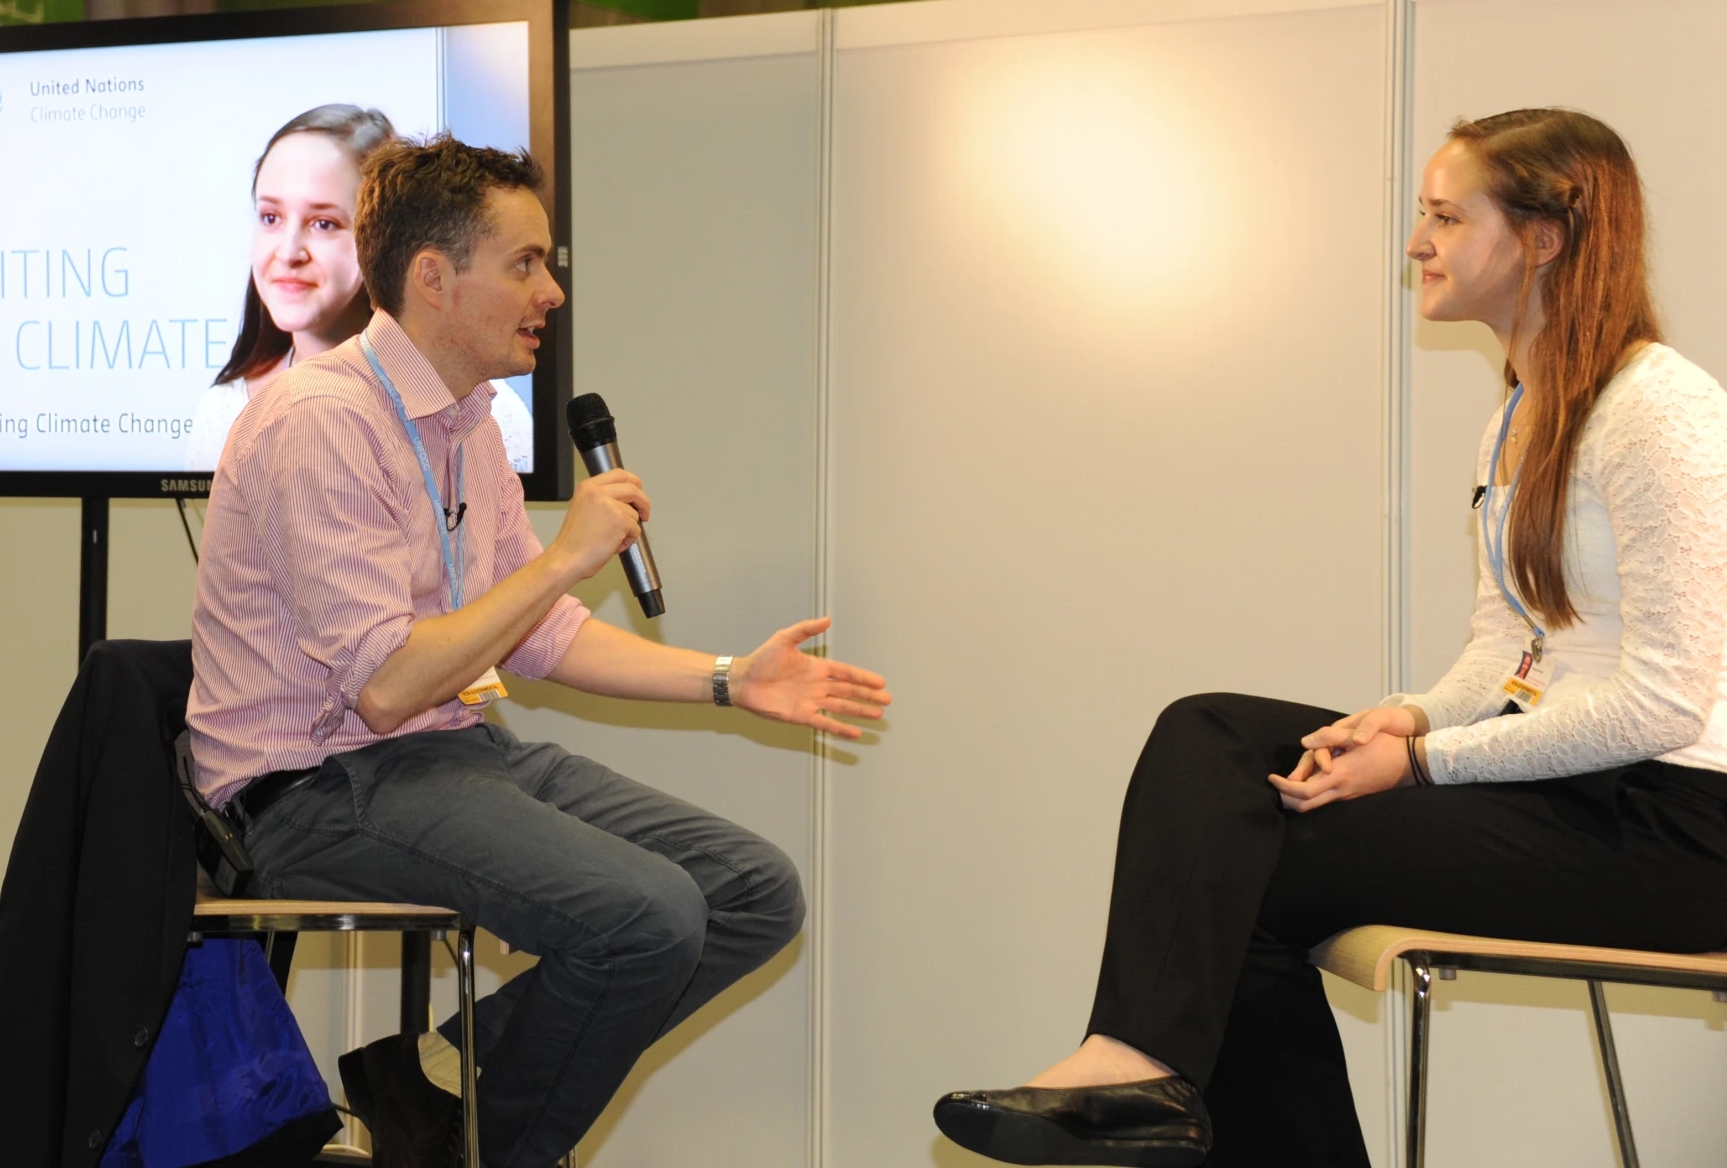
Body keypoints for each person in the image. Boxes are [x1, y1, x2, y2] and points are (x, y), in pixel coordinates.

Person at [932, 109, 1727, 1168]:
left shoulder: (1659, 408)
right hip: (1575, 791)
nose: (1417, 244)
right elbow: (1506, 652)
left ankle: (1137, 1076)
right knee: (1210, 733)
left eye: (1446, 216)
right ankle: (1132, 1065)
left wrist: (1425, 762)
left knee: (1246, 864)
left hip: (1676, 828)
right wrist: (1402, 718)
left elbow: (1662, 704)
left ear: (1542, 238)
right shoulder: (1523, 412)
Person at [188, 137, 892, 1168]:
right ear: (434, 276)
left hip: (453, 752)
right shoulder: (319, 422)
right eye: (524, 263)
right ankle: (477, 1139)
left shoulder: (470, 421)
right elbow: (386, 688)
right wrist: (562, 558)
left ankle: (429, 1084)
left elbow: (540, 635)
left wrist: (731, 681)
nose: (550, 290)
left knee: (752, 889)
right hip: (319, 785)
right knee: (646, 917)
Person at [187, 105, 535, 471]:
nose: (288, 252)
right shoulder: (222, 413)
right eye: (271, 217)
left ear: (382, 236)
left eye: (324, 223)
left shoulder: (486, 415)